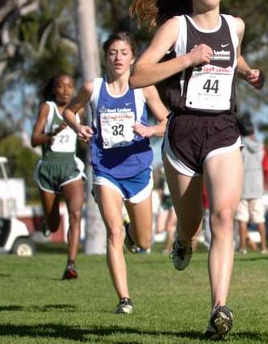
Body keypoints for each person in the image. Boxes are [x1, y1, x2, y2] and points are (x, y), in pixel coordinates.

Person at [129, 0, 264, 340]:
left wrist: (247, 73)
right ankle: (182, 240)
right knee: (191, 223)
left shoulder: (235, 26)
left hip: (222, 126)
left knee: (222, 216)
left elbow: (232, 55)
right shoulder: (177, 27)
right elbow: (139, 74)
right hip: (183, 129)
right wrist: (188, 58)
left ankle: (219, 308)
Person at [63, 32, 169, 314]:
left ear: (133, 57)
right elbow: (70, 112)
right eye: (112, 52)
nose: (118, 57)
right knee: (114, 233)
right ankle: (124, 299)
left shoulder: (143, 89)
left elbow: (167, 122)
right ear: (105, 58)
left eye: (124, 52)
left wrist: (151, 130)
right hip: (105, 169)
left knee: (143, 242)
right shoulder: (93, 88)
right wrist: (79, 128)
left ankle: (133, 235)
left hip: (138, 171)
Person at [31, 74, 85, 280]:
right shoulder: (47, 108)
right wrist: (51, 133)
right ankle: (48, 222)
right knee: (54, 226)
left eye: (70, 86)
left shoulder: (77, 109)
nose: (66, 90)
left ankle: (71, 265)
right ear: (54, 89)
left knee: (75, 214)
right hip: (48, 168)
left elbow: (83, 134)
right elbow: (34, 140)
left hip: (70, 166)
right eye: (61, 86)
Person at [235, 118, 268, 255]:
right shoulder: (262, 147)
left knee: (242, 219)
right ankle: (264, 248)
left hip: (242, 186)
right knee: (259, 219)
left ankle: (242, 248)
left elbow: (235, 167)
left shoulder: (239, 147)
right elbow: (266, 168)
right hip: (257, 186)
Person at [155, 167, 177, 254]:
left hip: (174, 200)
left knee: (170, 227)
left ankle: (168, 248)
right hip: (165, 202)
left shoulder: (177, 174)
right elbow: (160, 191)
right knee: (159, 229)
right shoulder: (163, 179)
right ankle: (173, 241)